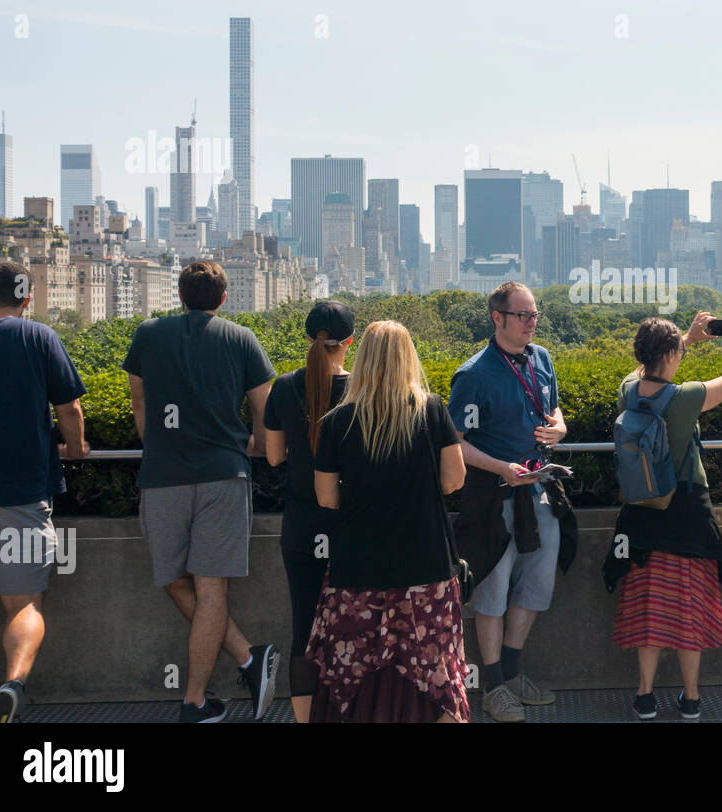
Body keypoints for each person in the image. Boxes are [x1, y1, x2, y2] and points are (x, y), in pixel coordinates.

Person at [122, 260, 278, 723]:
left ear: (181, 295)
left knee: (175, 580)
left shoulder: (149, 333)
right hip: (224, 476)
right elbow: (263, 410)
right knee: (209, 588)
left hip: (162, 475)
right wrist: (260, 448)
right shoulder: (241, 338)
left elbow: (137, 399)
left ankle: (202, 695)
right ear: (224, 299)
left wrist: (158, 443)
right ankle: (246, 660)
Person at [308, 320, 469, 723]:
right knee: (435, 671)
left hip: (357, 566)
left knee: (353, 669)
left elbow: (326, 497)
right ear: (408, 358)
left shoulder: (336, 422)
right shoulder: (431, 411)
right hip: (425, 565)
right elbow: (455, 479)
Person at [603, 312, 722, 721]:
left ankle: (645, 695)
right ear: (670, 355)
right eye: (677, 353)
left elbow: (641, 372)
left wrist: (684, 339)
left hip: (640, 514)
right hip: (686, 511)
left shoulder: (628, 391)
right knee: (688, 606)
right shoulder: (684, 396)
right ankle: (690, 698)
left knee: (650, 604)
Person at [449, 282, 576, 723]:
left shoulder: (542, 358)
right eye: (522, 315)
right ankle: (493, 686)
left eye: (534, 315)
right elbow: (456, 445)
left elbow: (554, 412)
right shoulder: (473, 374)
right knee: (492, 592)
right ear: (497, 318)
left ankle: (514, 671)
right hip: (493, 495)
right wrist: (501, 467)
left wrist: (558, 429)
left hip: (539, 492)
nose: (530, 323)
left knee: (535, 587)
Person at [0, 263, 88, 723]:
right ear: (26, 297)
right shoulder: (37, 338)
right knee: (22, 606)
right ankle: (13, 682)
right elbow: (70, 408)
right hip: (19, 496)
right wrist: (76, 449)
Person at [263, 300, 355, 723]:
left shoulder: (284, 387)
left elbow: (274, 456)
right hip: (353, 530)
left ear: (307, 339)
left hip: (301, 530)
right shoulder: (360, 390)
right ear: (349, 342)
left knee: (305, 630)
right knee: (355, 629)